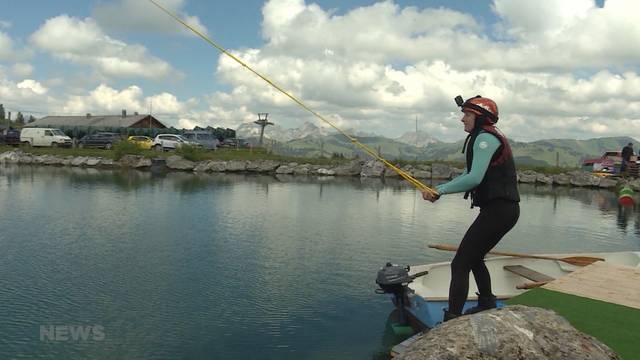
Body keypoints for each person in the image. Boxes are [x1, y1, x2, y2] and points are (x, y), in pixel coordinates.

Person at [422, 95, 520, 322]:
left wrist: (440, 191)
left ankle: (452, 319)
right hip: (501, 210)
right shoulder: (485, 137)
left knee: (460, 263)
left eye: (466, 114)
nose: (462, 119)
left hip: (499, 211)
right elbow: (470, 175)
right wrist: (440, 189)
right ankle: (486, 302)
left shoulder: (484, 138)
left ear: (480, 117)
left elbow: (474, 178)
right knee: (474, 258)